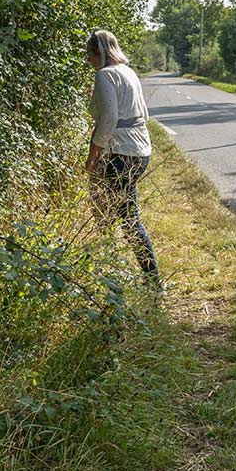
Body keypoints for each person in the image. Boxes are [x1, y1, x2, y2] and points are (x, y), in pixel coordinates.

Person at [85, 29, 162, 290]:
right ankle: (134, 279)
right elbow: (144, 115)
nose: (88, 60)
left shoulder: (105, 75)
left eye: (89, 54)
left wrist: (93, 155)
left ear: (98, 52)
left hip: (121, 153)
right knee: (122, 215)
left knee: (115, 219)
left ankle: (124, 282)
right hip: (140, 151)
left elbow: (109, 119)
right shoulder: (129, 72)